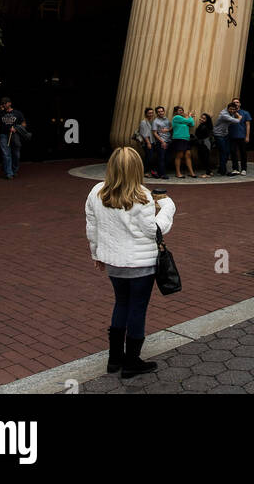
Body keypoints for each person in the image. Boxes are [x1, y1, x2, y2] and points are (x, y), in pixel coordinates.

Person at [85, 146, 176, 379]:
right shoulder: (143, 196)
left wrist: (96, 254)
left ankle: (114, 359)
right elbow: (153, 230)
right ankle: (132, 362)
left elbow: (92, 227)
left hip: (114, 262)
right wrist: (167, 206)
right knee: (137, 309)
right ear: (137, 169)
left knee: (121, 304)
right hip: (141, 265)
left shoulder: (96, 192)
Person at [0, 96, 27, 180]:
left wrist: (16, 128)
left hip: (15, 136)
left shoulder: (17, 113)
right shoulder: (0, 114)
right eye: (3, 103)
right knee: (6, 154)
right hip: (3, 135)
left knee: (16, 155)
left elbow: (24, 124)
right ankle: (9, 173)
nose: (4, 105)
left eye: (5, 103)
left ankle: (14, 170)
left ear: (10, 103)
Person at [212, 102, 240, 175]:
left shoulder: (232, 113)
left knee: (227, 152)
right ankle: (222, 170)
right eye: (230, 109)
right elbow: (236, 121)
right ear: (227, 108)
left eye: (233, 109)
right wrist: (239, 117)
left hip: (225, 134)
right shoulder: (224, 114)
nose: (232, 111)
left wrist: (235, 113)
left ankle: (221, 168)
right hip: (218, 135)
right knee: (223, 152)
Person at [171, 106, 197, 178]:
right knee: (179, 155)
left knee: (188, 155)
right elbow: (189, 121)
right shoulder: (176, 117)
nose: (181, 111)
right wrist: (189, 116)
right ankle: (178, 173)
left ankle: (192, 173)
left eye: (182, 110)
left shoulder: (183, 119)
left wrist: (188, 118)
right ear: (175, 112)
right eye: (179, 110)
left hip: (186, 138)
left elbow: (192, 124)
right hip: (179, 138)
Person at [229, 98, 252, 175]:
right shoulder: (229, 113)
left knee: (243, 153)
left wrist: (247, 136)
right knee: (233, 152)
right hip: (232, 136)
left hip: (242, 136)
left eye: (237, 102)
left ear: (240, 104)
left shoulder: (245, 113)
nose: (236, 103)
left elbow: (248, 125)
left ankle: (243, 169)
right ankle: (235, 168)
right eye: (234, 102)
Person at [151, 105, 172, 179]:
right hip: (161, 142)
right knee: (161, 158)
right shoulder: (155, 121)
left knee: (167, 158)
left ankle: (154, 171)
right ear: (157, 113)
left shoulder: (166, 119)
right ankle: (162, 174)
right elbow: (154, 133)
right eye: (159, 112)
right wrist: (162, 142)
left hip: (168, 141)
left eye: (162, 111)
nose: (160, 113)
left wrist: (168, 130)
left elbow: (170, 128)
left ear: (164, 111)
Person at [138, 107, 158, 177]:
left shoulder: (151, 122)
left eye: (152, 113)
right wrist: (148, 143)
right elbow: (144, 134)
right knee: (149, 157)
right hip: (147, 143)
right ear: (146, 114)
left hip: (152, 142)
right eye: (149, 113)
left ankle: (146, 171)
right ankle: (145, 172)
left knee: (148, 157)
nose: (151, 114)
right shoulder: (144, 122)